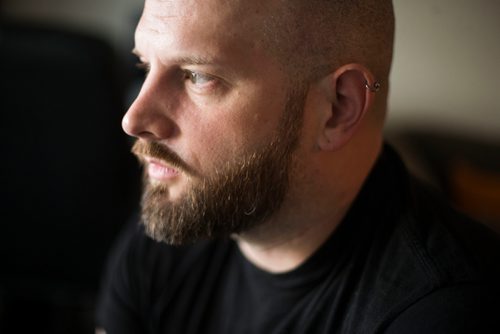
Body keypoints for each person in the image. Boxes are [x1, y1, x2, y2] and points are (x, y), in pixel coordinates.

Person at [96, 0, 500, 333]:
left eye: (198, 76)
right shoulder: (176, 221)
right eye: (145, 66)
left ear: (338, 108)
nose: (134, 119)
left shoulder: (444, 311)